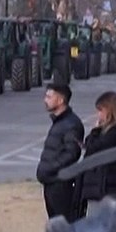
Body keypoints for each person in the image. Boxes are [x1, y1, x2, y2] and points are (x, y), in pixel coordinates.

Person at [74, 91, 116, 216]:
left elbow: (93, 147)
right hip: (107, 187)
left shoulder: (115, 132)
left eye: (100, 110)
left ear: (109, 110)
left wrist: (96, 130)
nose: (98, 115)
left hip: (105, 188)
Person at [36, 74, 84, 221]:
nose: (45, 100)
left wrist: (50, 169)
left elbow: (71, 154)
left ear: (61, 100)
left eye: (49, 97)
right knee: (55, 225)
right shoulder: (60, 123)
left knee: (63, 225)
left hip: (60, 185)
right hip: (51, 183)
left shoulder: (71, 125)